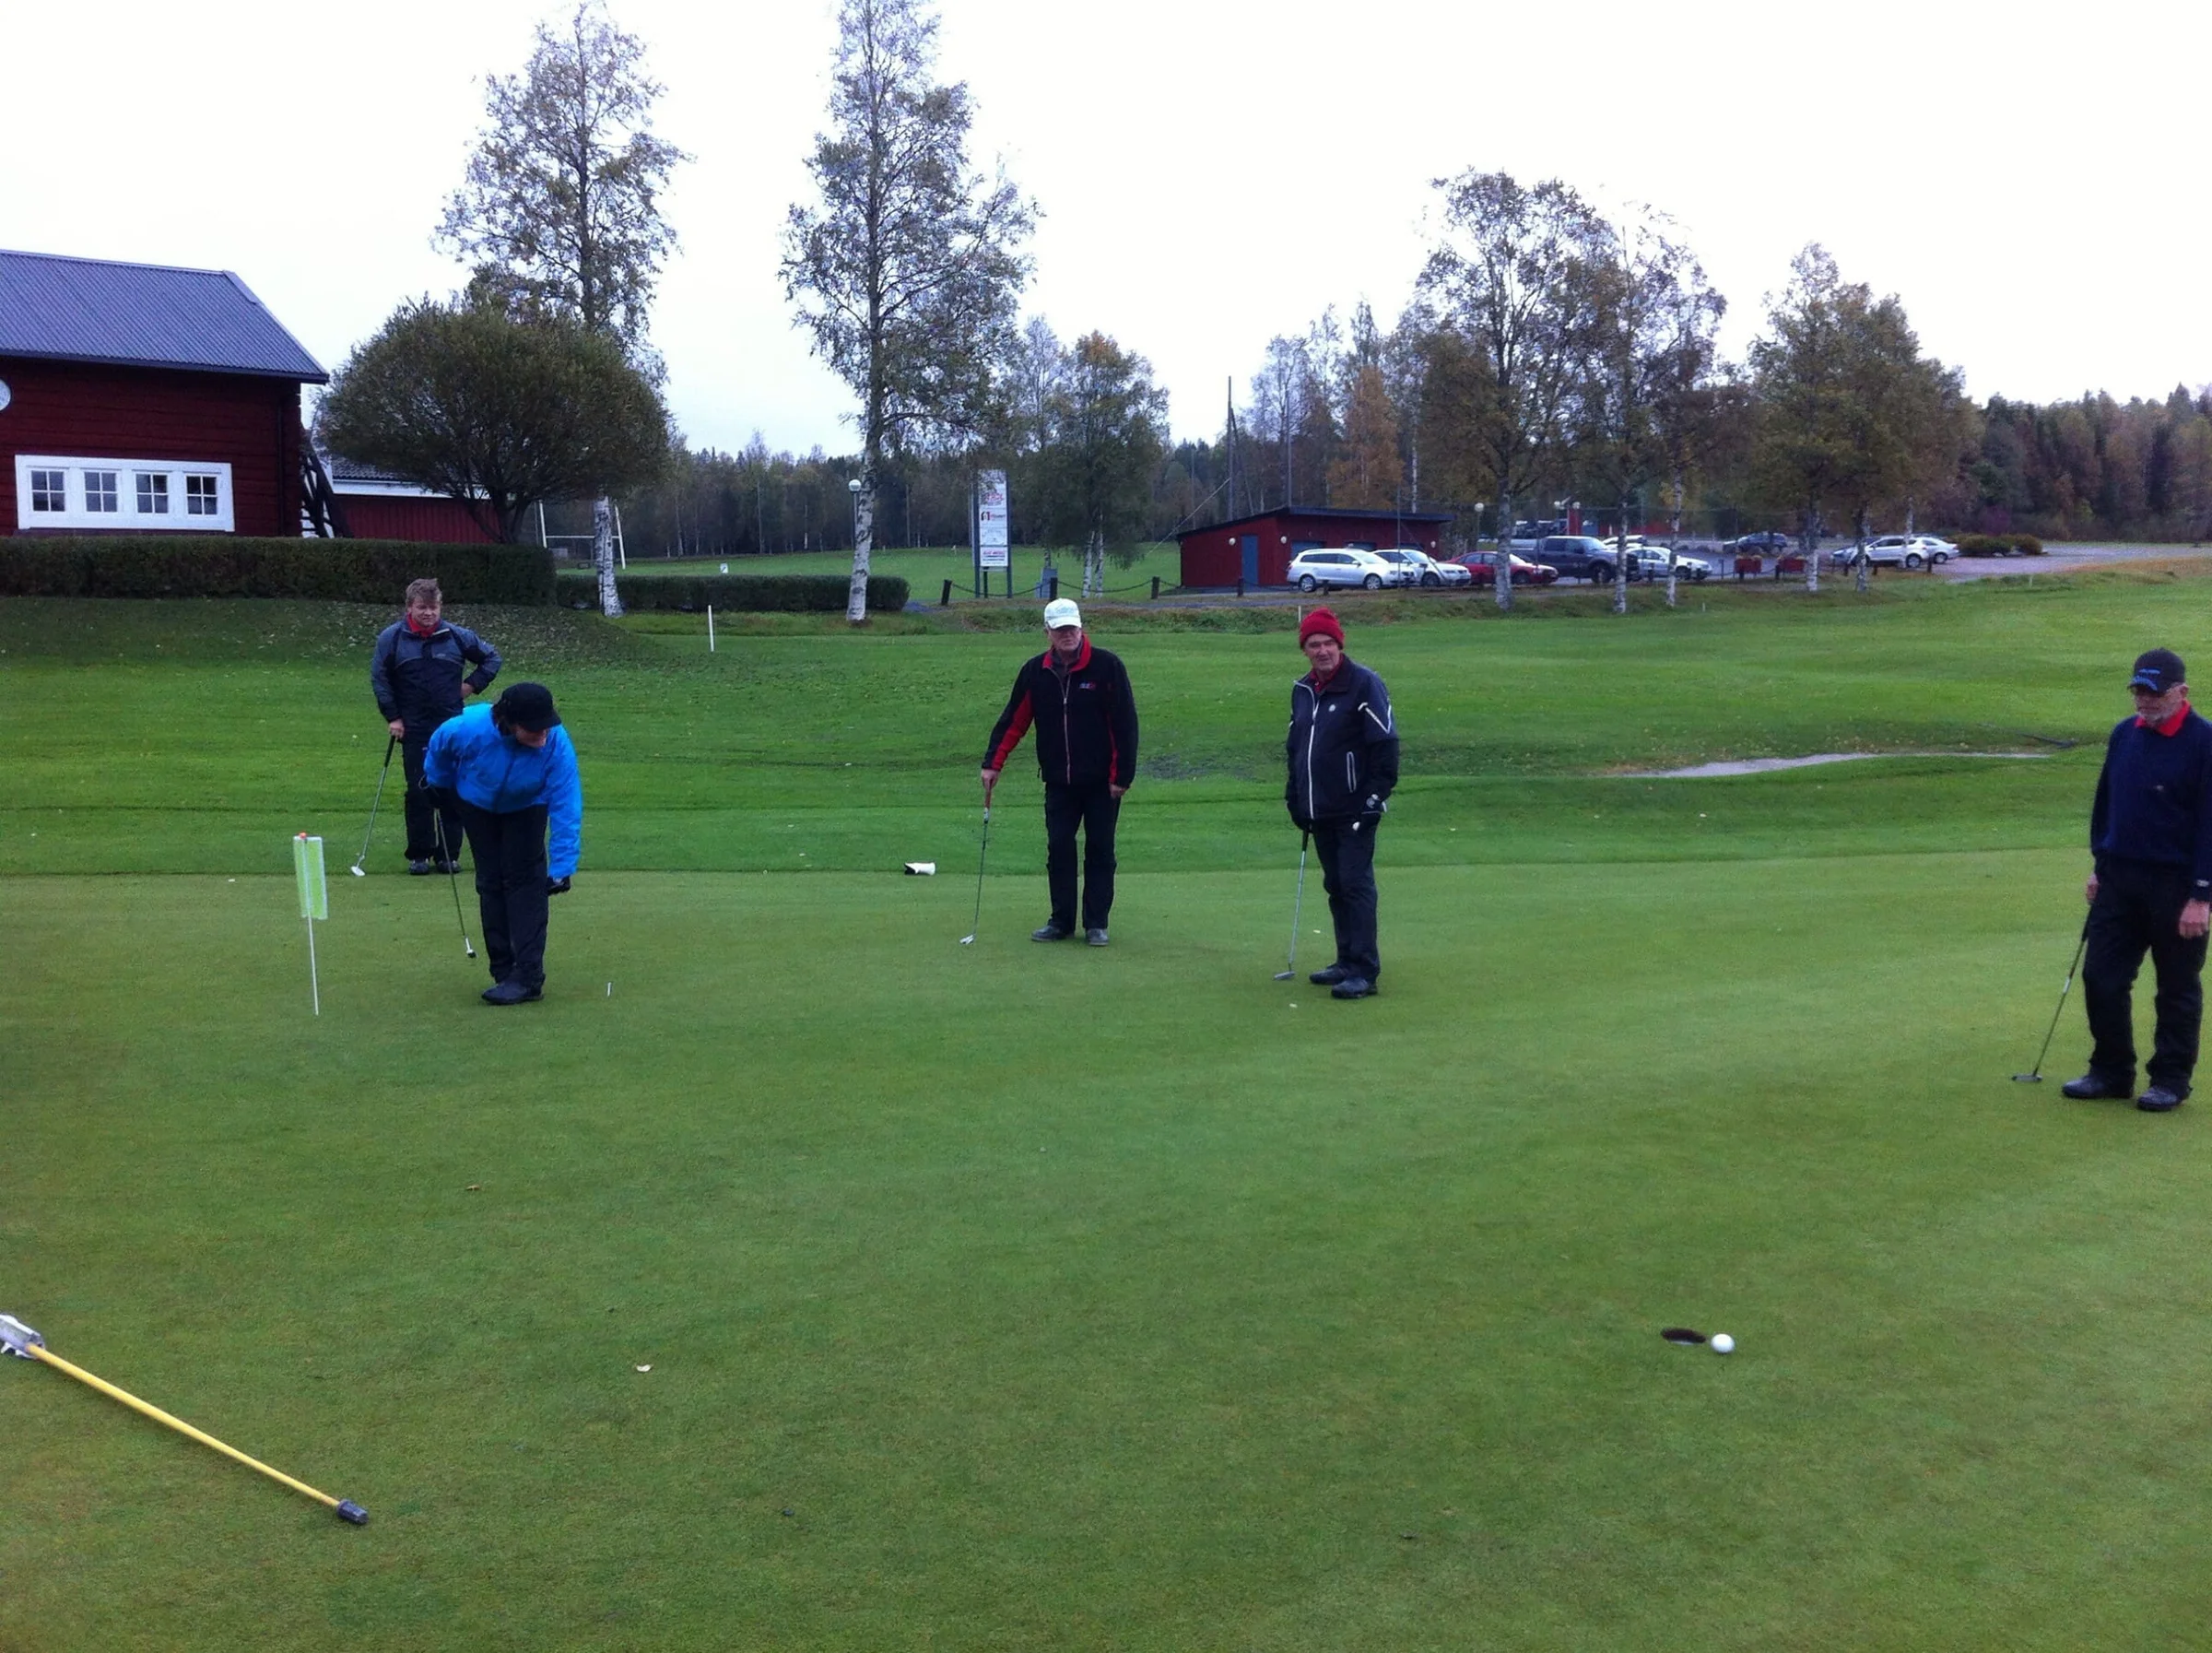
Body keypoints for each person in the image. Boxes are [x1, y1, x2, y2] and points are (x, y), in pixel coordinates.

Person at [2065, 648, 2212, 1110]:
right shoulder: (2124, 735)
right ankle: (2111, 1071)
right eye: (2137, 691)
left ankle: (2170, 1080)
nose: (2143, 701)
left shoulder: (2204, 741)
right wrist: (2099, 863)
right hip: (2120, 878)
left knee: (2175, 986)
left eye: (2153, 692)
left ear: (2181, 692)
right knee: (2100, 977)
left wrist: (2202, 896)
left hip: (2177, 885)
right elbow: (2108, 804)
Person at [980, 597, 1139, 945]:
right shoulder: (1035, 672)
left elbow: (1124, 725)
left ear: (1082, 628)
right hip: (1058, 782)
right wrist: (994, 763)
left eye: (1072, 628)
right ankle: (1061, 921)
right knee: (1059, 847)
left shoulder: (1107, 667)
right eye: (1060, 629)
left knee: (1100, 850)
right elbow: (1014, 722)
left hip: (1101, 783)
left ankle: (1096, 923)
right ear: (1047, 633)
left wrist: (1121, 776)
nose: (1068, 634)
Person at [424, 682, 582, 1006]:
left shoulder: (556, 743)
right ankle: (503, 970)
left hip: (528, 807)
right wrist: (436, 783)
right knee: (490, 883)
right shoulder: (468, 727)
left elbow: (567, 801)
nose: (543, 735)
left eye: (546, 725)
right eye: (533, 728)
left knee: (525, 886)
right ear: (509, 721)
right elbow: (438, 747)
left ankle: (528, 977)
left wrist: (563, 865)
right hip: (477, 805)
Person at [1284, 608, 1397, 1000]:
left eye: (1328, 643)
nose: (1322, 651)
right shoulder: (1302, 690)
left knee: (1355, 884)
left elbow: (1385, 747)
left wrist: (1374, 798)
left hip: (1355, 808)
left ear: (1340, 644)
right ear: (1305, 650)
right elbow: (1296, 747)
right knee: (1335, 885)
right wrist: (1294, 796)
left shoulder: (1364, 685)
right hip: (1320, 809)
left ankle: (1365, 970)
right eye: (1313, 645)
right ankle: (1346, 960)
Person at [370, 579, 501, 875]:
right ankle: (419, 854)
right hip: (413, 725)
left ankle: (448, 855)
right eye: (422, 608)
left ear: (440, 607)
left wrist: (470, 686)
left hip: (452, 724)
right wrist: (393, 717)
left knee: (452, 788)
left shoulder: (456, 636)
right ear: (409, 608)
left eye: (433, 607)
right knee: (418, 790)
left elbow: (492, 658)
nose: (428, 613)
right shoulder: (392, 639)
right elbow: (380, 679)